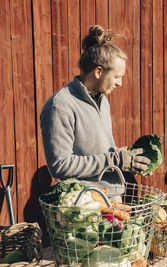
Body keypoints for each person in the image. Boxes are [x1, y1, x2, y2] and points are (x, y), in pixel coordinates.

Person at [40, 25, 150, 199]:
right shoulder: (60, 106)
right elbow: (59, 165)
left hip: (113, 200)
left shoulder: (102, 100)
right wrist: (115, 160)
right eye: (116, 76)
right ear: (99, 71)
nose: (120, 83)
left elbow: (98, 152)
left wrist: (123, 155)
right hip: (84, 206)